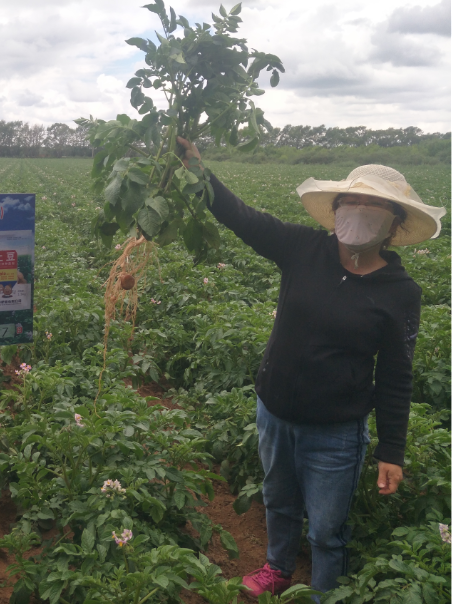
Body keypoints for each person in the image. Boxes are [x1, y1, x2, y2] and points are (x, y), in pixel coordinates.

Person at [176, 137, 446, 599]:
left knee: (326, 529)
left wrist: (392, 450)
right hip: (275, 412)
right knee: (278, 500)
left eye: (373, 205)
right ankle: (277, 567)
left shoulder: (401, 292)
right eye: (351, 200)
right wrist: (198, 170)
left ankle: (325, 593)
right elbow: (242, 217)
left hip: (336, 431)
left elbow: (397, 376)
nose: (359, 210)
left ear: (394, 224)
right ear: (336, 208)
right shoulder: (302, 248)